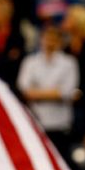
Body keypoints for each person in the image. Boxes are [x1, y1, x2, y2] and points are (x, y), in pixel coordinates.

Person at [17, 26, 79, 161]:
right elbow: (24, 89)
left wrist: (37, 92)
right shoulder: (30, 62)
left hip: (60, 126)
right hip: (35, 123)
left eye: (53, 39)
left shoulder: (69, 63)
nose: (50, 42)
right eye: (47, 38)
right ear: (41, 40)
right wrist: (54, 92)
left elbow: (66, 92)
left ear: (60, 42)